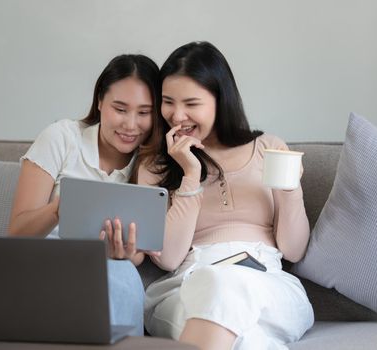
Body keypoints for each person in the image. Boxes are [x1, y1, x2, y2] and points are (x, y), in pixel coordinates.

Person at [133, 42, 314, 349]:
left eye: (191, 103)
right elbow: (169, 257)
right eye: (167, 102)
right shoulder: (154, 164)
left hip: (266, 282)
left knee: (228, 287)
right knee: (243, 329)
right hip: (190, 282)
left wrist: (290, 188)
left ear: (220, 99)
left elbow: (293, 250)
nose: (177, 115)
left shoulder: (268, 147)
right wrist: (190, 176)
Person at [8, 54, 162, 336]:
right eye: (120, 108)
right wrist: (58, 210)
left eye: (144, 113)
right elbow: (17, 233)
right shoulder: (61, 137)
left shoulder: (152, 164)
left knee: (123, 276)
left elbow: (140, 255)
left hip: (110, 273)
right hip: (46, 265)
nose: (131, 125)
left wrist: (126, 254)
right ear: (100, 101)